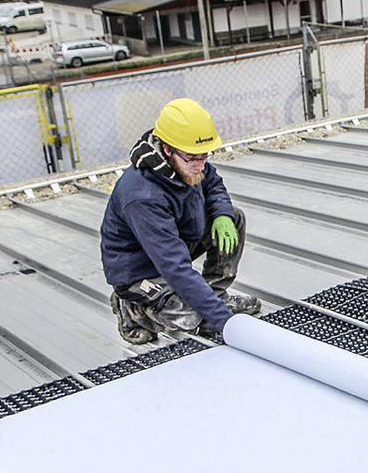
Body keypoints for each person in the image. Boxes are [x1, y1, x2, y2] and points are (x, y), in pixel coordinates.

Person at [100, 98, 260, 344]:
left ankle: (215, 295)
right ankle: (132, 309)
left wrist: (222, 214)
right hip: (140, 272)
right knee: (189, 320)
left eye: (204, 156)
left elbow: (213, 183)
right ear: (167, 149)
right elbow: (175, 267)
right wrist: (225, 323)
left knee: (234, 217)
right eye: (192, 158)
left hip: (176, 243)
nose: (200, 165)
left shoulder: (188, 161)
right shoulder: (142, 196)